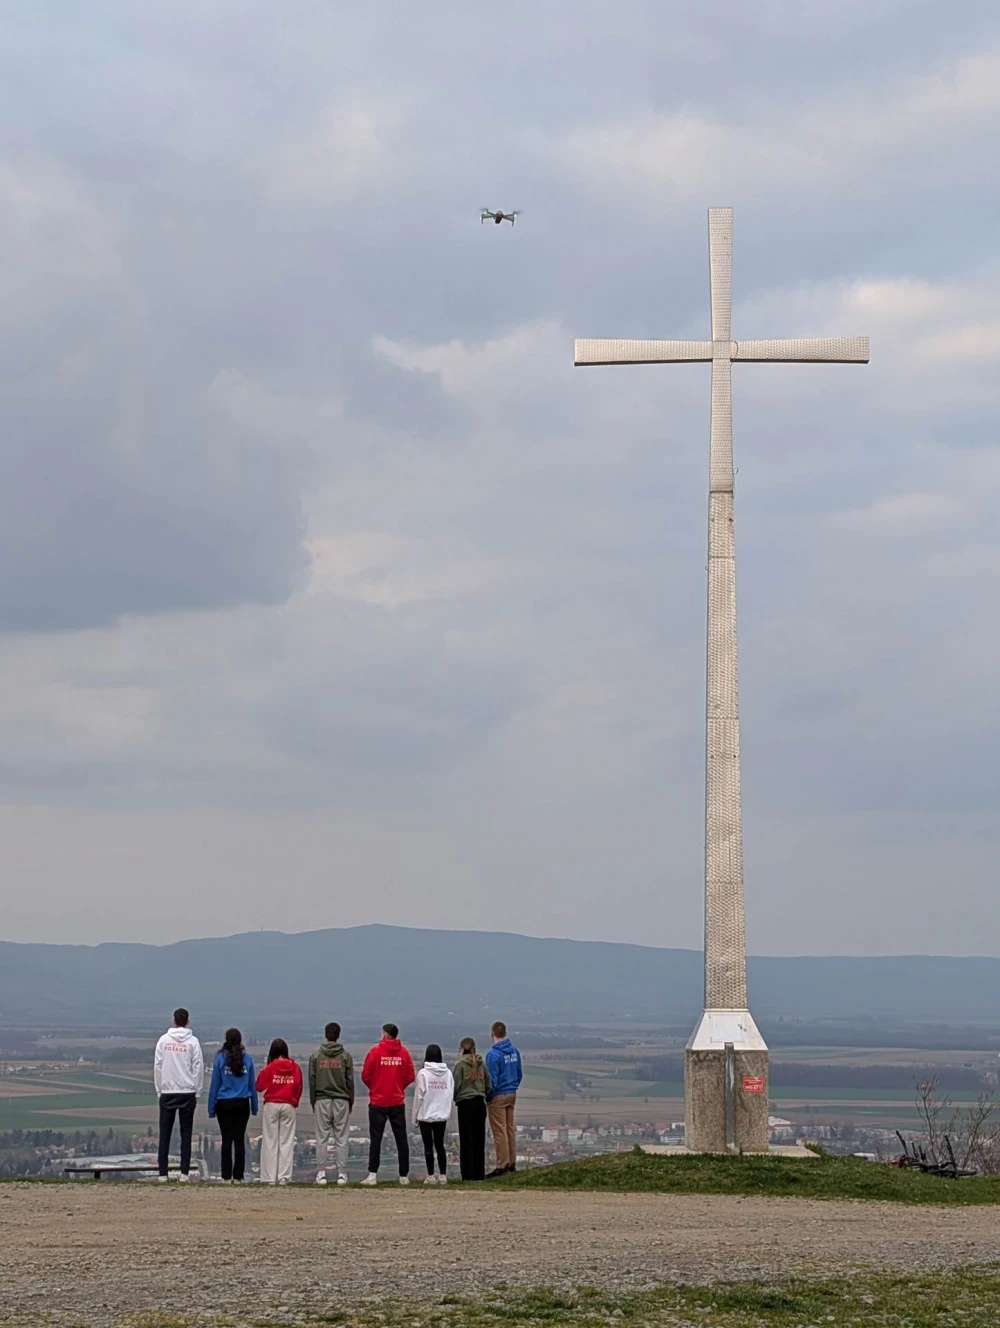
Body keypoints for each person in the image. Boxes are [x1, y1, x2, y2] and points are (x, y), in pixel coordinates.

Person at [360, 1022, 415, 1186]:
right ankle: (403, 1175)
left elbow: (366, 1074)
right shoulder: (404, 1053)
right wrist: (398, 1087)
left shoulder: (375, 1052)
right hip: (397, 1101)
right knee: (401, 1138)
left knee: (376, 1138)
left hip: (377, 1101)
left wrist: (376, 1087)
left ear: (384, 1034)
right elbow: (410, 1075)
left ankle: (372, 1175)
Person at [153, 1008, 204, 1183]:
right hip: (187, 1091)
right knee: (186, 1134)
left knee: (165, 1134)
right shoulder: (193, 1042)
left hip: (167, 1091)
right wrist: (197, 1090)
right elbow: (198, 1068)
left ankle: (162, 1174)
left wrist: (159, 1089)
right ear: (187, 1021)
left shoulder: (163, 1041)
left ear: (174, 1021)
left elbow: (158, 1066)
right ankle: (184, 1174)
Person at [207, 1027, 258, 1183]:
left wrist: (211, 1108)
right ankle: (239, 1176)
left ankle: (226, 1176)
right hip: (242, 1104)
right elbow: (251, 1086)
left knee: (226, 1140)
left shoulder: (220, 1059)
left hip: (224, 1104)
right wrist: (254, 1106)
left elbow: (214, 1085)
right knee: (239, 1139)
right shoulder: (247, 1059)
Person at [309, 1021, 355, 1186]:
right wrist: (351, 1100)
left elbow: (312, 1080)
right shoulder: (345, 1056)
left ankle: (321, 1174)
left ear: (325, 1034)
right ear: (338, 1035)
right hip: (341, 1099)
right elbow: (350, 1081)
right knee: (341, 1138)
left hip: (322, 1099)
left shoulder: (316, 1056)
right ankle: (342, 1174)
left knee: (322, 1137)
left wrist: (313, 1101)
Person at [255, 1038, 303, 1185]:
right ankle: (284, 1177)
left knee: (270, 1141)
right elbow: (299, 1087)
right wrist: (294, 1101)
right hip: (288, 1105)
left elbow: (259, 1086)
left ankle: (269, 1177)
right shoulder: (295, 1068)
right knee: (286, 1142)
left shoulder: (270, 1068)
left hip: (272, 1105)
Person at [485, 1020, 522, 1177]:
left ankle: (502, 1165)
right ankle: (512, 1162)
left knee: (499, 1131)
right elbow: (519, 1073)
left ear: (492, 1033)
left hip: (498, 1094)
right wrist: (513, 1086)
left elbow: (492, 1079)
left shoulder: (493, 1055)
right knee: (509, 1129)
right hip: (512, 1092)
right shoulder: (514, 1051)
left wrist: (489, 1095)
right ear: (505, 1033)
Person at [412, 1044, 454, 1185]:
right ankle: (443, 1175)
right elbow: (450, 1094)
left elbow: (418, 1097)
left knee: (428, 1146)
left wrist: (415, 1117)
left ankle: (430, 1175)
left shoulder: (423, 1073)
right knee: (440, 1145)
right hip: (441, 1115)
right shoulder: (448, 1074)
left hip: (425, 1115)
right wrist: (446, 1111)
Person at [453, 1036, 491, 1181]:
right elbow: (488, 1085)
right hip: (480, 1103)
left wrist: (456, 1098)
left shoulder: (460, 1066)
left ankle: (468, 1175)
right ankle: (479, 1175)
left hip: (465, 1104)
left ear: (462, 1049)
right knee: (479, 1140)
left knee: (466, 1140)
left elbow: (456, 1085)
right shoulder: (482, 1065)